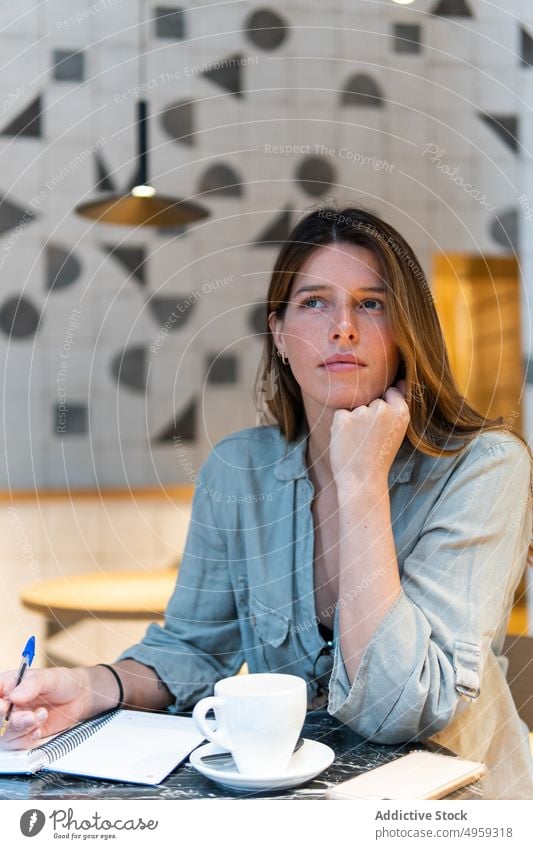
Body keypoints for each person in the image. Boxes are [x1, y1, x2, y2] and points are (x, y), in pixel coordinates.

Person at [1, 207, 531, 798]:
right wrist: (88, 686)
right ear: (278, 334)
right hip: (304, 805)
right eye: (314, 302)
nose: (344, 328)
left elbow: (402, 711)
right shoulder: (238, 469)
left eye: (372, 303)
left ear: (408, 330)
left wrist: (360, 485)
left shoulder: (484, 467)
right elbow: (192, 649)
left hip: (461, 808)